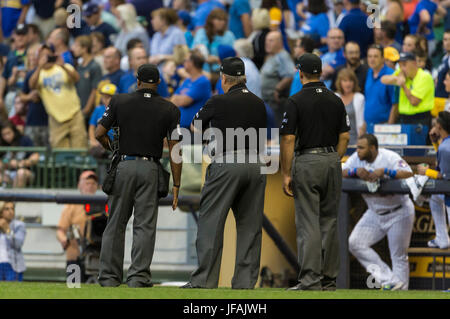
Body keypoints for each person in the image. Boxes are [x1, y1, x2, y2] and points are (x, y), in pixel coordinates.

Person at [182, 57, 267, 289]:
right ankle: (245, 284)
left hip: (227, 162)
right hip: (256, 164)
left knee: (211, 223)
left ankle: (203, 282)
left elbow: (195, 128)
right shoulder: (259, 103)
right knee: (250, 227)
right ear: (245, 79)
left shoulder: (218, 101)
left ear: (224, 79)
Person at [96, 64, 182, 288]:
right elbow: (175, 149)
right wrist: (177, 184)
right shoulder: (170, 109)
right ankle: (138, 277)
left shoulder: (119, 101)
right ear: (159, 83)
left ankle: (109, 278)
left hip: (124, 165)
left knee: (115, 223)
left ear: (137, 81)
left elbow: (99, 132)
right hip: (150, 168)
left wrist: (112, 148)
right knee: (144, 226)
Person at [280, 53, 350, 291]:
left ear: (301, 73)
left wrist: (286, 173)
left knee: (308, 222)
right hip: (332, 160)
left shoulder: (296, 100)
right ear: (319, 72)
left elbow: (288, 139)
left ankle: (310, 280)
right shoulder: (336, 99)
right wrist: (334, 158)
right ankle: (329, 280)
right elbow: (345, 136)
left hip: (308, 161)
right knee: (330, 222)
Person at [344, 134, 415, 290]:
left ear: (373, 148)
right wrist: (354, 171)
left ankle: (401, 292)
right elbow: (338, 171)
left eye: (361, 148)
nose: (358, 151)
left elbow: (409, 174)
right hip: (375, 213)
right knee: (355, 243)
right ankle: (388, 279)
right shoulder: (356, 159)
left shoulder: (389, 157)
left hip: (399, 212)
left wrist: (387, 172)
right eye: (357, 147)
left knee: (398, 256)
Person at [29, 44, 88, 148]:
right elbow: (32, 85)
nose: (46, 58)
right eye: (43, 56)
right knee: (59, 152)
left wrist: (63, 65)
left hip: (75, 114)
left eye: (48, 55)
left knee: (80, 148)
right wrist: (39, 67)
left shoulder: (64, 67)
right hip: (56, 118)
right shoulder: (38, 74)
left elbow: (76, 78)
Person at [56, 171, 99, 282]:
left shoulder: (102, 206)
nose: (90, 186)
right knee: (73, 287)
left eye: (93, 183)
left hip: (96, 256)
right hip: (75, 255)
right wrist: (64, 239)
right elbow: (61, 230)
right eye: (87, 183)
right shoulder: (71, 205)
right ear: (79, 185)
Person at [417, 111, 450, 249]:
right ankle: (442, 238)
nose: (433, 127)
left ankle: (442, 238)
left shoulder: (445, 147)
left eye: (435, 125)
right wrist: (435, 143)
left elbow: (445, 177)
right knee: (435, 197)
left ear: (440, 127)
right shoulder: (443, 144)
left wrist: (427, 172)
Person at [381, 52, 434, 127]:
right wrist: (397, 78)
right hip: (404, 118)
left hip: (420, 119)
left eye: (404, 65)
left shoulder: (424, 77)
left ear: (414, 64)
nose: (402, 68)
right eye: (400, 65)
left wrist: (403, 85)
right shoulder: (402, 73)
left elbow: (414, 101)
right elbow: (383, 80)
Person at [260, 31, 295, 126]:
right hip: (268, 102)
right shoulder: (272, 56)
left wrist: (278, 89)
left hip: (276, 103)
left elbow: (290, 74)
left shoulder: (283, 56)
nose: (267, 43)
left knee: (275, 130)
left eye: (271, 41)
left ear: (280, 42)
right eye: (266, 40)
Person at [171, 50, 212, 129]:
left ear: (191, 63)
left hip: (194, 130)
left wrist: (180, 98)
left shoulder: (203, 81)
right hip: (181, 128)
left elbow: (184, 102)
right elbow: (173, 100)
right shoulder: (187, 80)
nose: (183, 63)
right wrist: (180, 98)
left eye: (185, 60)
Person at [20, 43, 48, 147]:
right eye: (30, 55)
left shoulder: (52, 71)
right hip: (32, 120)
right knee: (32, 151)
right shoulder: (30, 73)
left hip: (49, 120)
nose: (32, 58)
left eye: (34, 55)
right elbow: (22, 96)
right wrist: (29, 97)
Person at [192, 8, 236, 73]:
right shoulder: (201, 33)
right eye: (219, 19)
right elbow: (194, 51)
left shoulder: (229, 35)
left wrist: (216, 59)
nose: (222, 22)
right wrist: (205, 58)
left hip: (221, 71)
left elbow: (234, 55)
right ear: (211, 20)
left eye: (224, 20)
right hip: (202, 70)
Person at [364, 44, 398, 130]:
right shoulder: (369, 72)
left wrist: (389, 128)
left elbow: (395, 104)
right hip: (369, 125)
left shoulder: (391, 75)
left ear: (383, 58)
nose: (372, 59)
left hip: (384, 125)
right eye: (370, 56)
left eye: (375, 56)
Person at [71, 35, 103, 119]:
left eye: (76, 46)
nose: (73, 48)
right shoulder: (79, 66)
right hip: (78, 109)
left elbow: (95, 89)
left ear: (84, 48)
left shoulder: (95, 66)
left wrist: (87, 109)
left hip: (88, 112)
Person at [335, 68, 365, 144]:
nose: (348, 84)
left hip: (355, 141)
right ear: (340, 82)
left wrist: (360, 140)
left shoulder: (360, 98)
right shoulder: (335, 97)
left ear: (354, 82)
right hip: (338, 142)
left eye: (350, 81)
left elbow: (362, 122)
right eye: (345, 81)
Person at [89, 83, 117, 158]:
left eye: (108, 97)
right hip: (101, 144)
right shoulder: (98, 109)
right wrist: (92, 140)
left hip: (115, 144)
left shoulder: (119, 110)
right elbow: (92, 126)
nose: (105, 100)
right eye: (104, 97)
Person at [0, 202, 26, 281]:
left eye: (12, 209)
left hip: (12, 265)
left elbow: (18, 244)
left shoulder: (19, 225)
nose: (10, 211)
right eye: (7, 209)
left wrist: (8, 230)